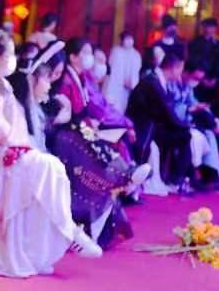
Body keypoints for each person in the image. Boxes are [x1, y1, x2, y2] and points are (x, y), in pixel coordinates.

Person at [0, 30, 102, 278]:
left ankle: (41, 249)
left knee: (48, 168)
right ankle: (68, 231)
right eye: (10, 54)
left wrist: (19, 145)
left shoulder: (2, 86)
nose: (13, 60)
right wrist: (16, 145)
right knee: (40, 169)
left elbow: (14, 127)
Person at [43, 39, 146, 246]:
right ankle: (123, 176)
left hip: (76, 130)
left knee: (102, 154)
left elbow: (96, 106)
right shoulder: (66, 81)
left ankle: (124, 175)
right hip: (63, 136)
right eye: (86, 52)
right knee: (94, 167)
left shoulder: (80, 78)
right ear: (73, 57)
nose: (89, 58)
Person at [127, 53, 194, 194]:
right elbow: (165, 113)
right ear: (174, 68)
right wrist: (184, 125)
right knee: (184, 135)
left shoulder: (157, 80)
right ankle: (177, 180)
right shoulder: (152, 82)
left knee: (184, 134)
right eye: (180, 69)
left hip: (152, 125)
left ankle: (179, 178)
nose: (180, 73)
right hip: (143, 127)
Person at [169, 61, 219, 192]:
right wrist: (189, 109)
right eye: (195, 78)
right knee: (195, 136)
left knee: (209, 134)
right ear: (185, 72)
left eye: (199, 79)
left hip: (185, 121)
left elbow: (193, 102)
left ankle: (211, 176)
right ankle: (189, 177)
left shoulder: (187, 87)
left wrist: (214, 118)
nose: (196, 82)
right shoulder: (171, 83)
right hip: (171, 122)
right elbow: (170, 107)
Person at [188, 18, 219, 106]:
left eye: (213, 27)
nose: (210, 29)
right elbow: (192, 61)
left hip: (212, 80)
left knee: (210, 105)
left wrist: (215, 79)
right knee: (197, 103)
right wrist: (202, 79)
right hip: (198, 80)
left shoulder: (218, 44)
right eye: (208, 27)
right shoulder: (195, 42)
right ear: (204, 27)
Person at [104, 31, 141, 113]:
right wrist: (120, 80)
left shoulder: (136, 55)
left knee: (123, 107)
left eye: (130, 39)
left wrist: (132, 82)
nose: (129, 41)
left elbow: (136, 71)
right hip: (115, 85)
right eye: (126, 39)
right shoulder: (116, 51)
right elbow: (114, 70)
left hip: (127, 87)